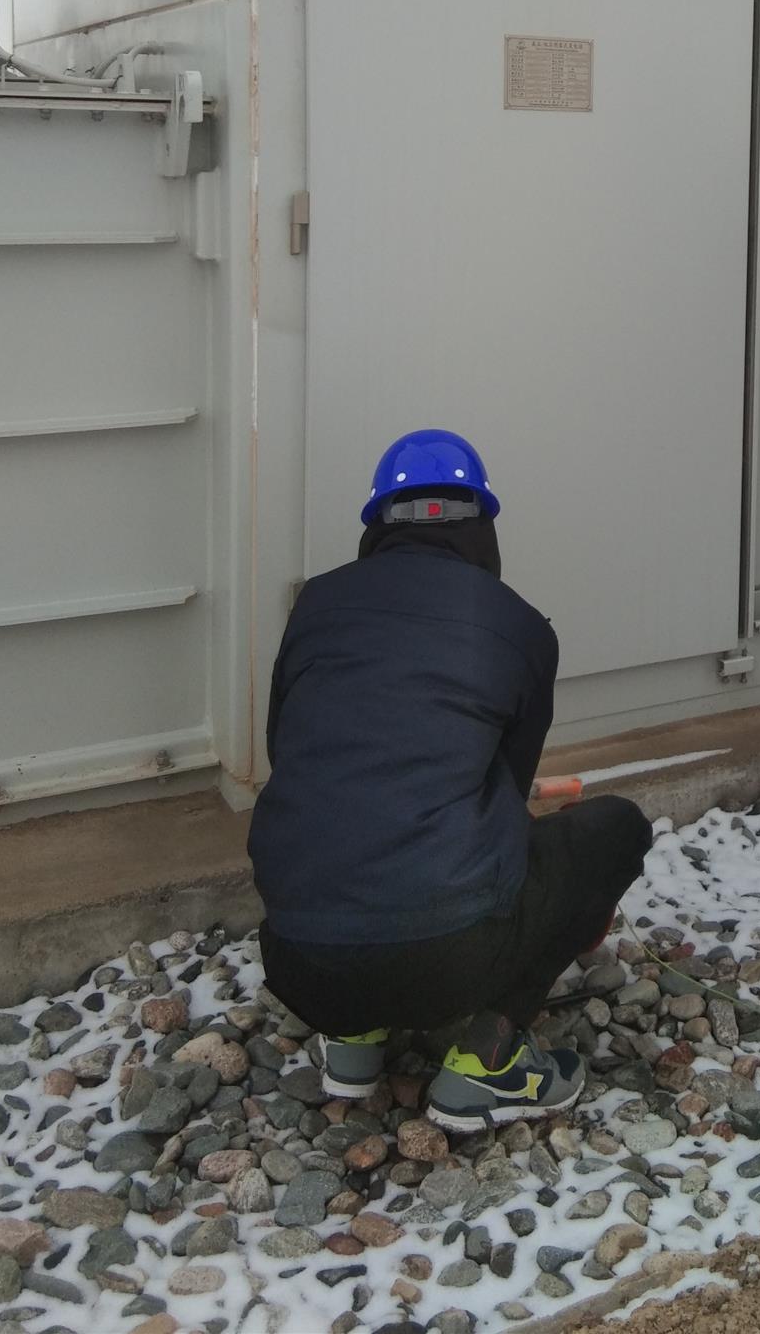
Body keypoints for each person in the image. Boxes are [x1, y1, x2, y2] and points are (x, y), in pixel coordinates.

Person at [248, 429, 654, 1131]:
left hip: (296, 958)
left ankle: (354, 1042)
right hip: (444, 959)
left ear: (376, 527)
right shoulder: (518, 627)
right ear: (483, 526)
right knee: (616, 831)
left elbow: (293, 758)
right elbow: (510, 783)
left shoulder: (314, 607)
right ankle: (487, 1064)